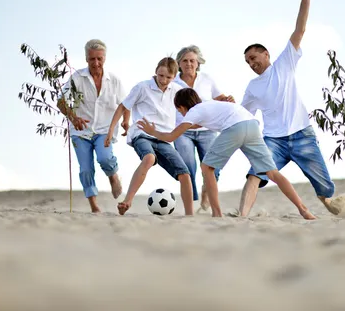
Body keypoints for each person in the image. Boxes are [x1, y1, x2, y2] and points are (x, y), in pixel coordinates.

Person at [238, 0, 339, 217]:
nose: (252, 63)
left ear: (266, 55)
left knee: (325, 189)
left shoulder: (285, 63)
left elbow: (300, 30)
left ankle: (341, 213)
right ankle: (241, 217)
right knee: (254, 173)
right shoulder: (252, 87)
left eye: (254, 58)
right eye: (247, 62)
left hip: (302, 135)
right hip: (273, 141)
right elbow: (243, 117)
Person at [137, 88, 317, 219]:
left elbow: (171, 137)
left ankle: (216, 213)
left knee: (207, 167)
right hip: (252, 125)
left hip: (235, 127)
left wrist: (152, 132)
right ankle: (303, 209)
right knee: (272, 173)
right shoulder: (208, 106)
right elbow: (198, 125)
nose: (181, 114)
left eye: (179, 110)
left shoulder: (193, 111)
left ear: (182, 106)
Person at [104, 57, 194, 216]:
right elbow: (123, 107)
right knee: (149, 158)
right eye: (161, 75)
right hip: (142, 135)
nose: (164, 80)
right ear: (156, 71)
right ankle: (127, 201)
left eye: (168, 77)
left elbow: (192, 106)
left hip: (163, 138)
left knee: (185, 173)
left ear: (174, 77)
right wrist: (111, 130)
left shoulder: (177, 90)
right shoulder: (142, 87)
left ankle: (190, 215)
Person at [57, 39, 128, 213]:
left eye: (99, 59)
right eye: (92, 59)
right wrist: (73, 118)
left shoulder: (114, 81)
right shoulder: (77, 78)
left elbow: (126, 103)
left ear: (104, 58)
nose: (96, 63)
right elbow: (61, 102)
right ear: (86, 59)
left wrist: (126, 121)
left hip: (104, 130)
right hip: (80, 132)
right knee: (86, 168)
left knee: (105, 158)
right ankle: (94, 206)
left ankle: (113, 176)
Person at [173, 45, 234, 210]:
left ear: (198, 63)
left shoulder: (207, 79)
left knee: (213, 167)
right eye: (185, 61)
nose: (189, 64)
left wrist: (227, 99)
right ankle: (191, 201)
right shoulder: (173, 82)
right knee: (187, 165)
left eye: (192, 60)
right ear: (179, 63)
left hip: (207, 130)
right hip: (182, 130)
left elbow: (219, 97)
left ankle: (206, 194)